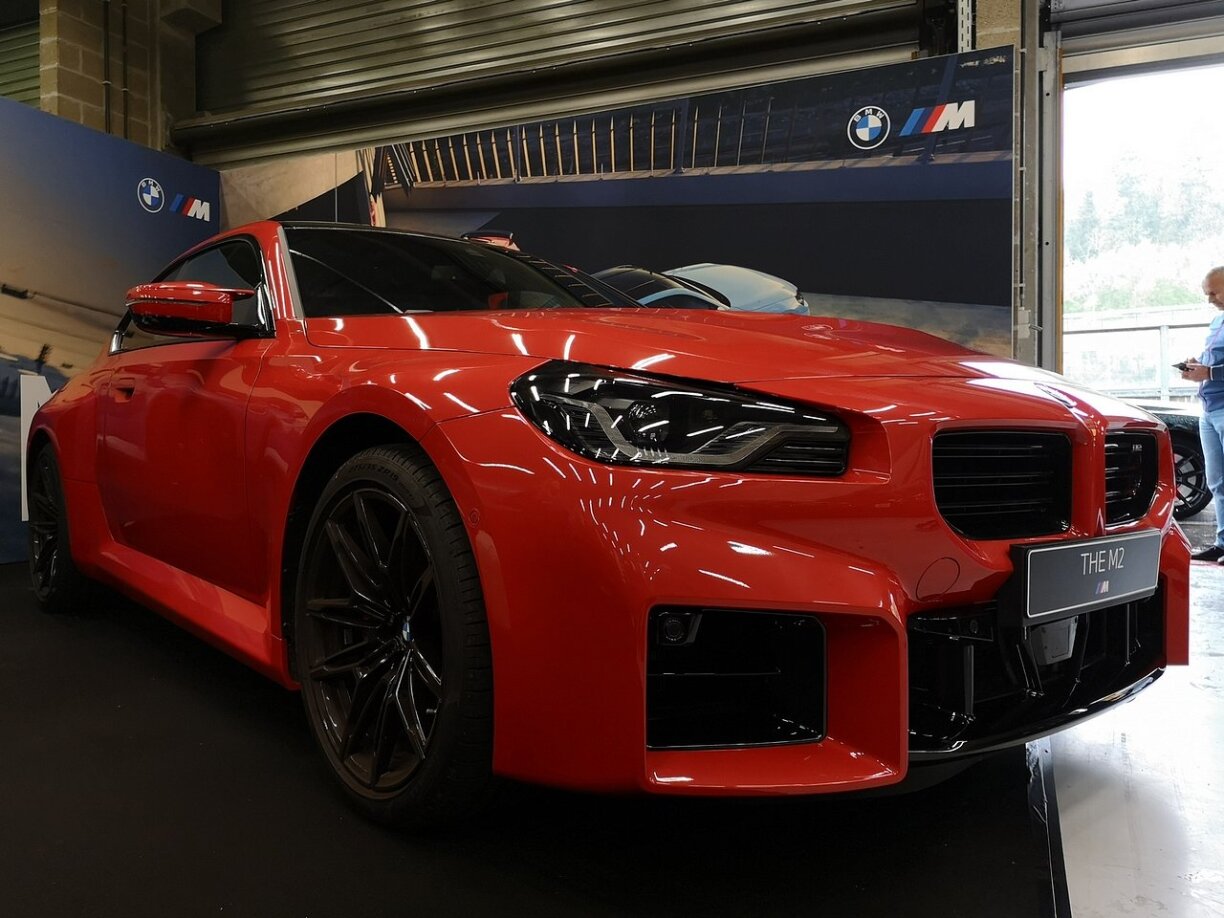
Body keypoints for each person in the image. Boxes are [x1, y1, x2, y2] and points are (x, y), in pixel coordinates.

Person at [1180, 265, 1224, 562]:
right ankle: (1222, 543)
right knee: (1217, 481)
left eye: (1214, 293)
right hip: (1208, 410)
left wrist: (1210, 373)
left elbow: (1214, 369)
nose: (1210, 299)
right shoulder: (1217, 321)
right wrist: (1197, 366)